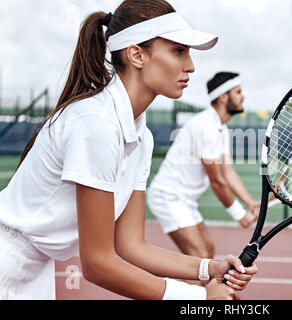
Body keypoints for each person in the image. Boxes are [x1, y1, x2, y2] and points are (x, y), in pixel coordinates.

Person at [0, 0, 257, 300]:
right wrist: (198, 297)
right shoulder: (96, 124)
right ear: (137, 55)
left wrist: (207, 268)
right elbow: (97, 264)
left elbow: (130, 245)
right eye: (178, 50)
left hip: (33, 269)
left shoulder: (140, 137)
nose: (191, 65)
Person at [148, 71, 260, 259]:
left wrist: (250, 203)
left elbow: (227, 171)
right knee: (199, 257)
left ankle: (192, 289)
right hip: (168, 197)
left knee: (207, 253)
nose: (243, 96)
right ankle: (171, 289)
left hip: (185, 201)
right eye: (238, 92)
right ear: (224, 98)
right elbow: (217, 180)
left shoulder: (220, 128)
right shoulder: (206, 127)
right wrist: (240, 215)